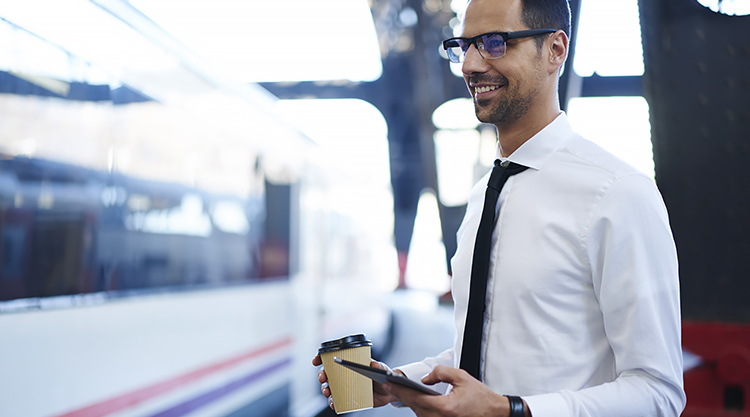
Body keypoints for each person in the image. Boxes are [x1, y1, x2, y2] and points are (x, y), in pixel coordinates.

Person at [313, 0, 686, 415]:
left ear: (555, 50)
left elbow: (658, 392)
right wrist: (398, 383)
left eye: (494, 43)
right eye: (464, 45)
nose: (469, 65)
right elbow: (483, 352)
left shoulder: (618, 193)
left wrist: (513, 410)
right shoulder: (483, 197)